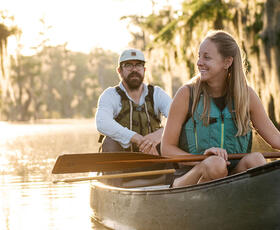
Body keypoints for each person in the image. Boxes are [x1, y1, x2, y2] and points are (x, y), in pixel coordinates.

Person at [161, 30, 280, 188]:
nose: (199, 62)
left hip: (233, 175)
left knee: (256, 159)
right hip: (189, 176)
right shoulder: (186, 94)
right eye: (199, 56)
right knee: (215, 165)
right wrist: (202, 159)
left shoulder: (247, 95)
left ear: (227, 62)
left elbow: (275, 139)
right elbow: (166, 148)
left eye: (207, 57)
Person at [95, 48, 172, 187]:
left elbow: (179, 117)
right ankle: (115, 191)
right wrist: (137, 138)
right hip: (123, 165)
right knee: (109, 141)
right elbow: (102, 123)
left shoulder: (157, 94)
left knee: (174, 137)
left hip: (154, 160)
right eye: (128, 65)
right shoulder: (110, 95)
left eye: (138, 65)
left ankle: (173, 185)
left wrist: (159, 135)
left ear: (144, 69)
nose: (134, 69)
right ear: (119, 70)